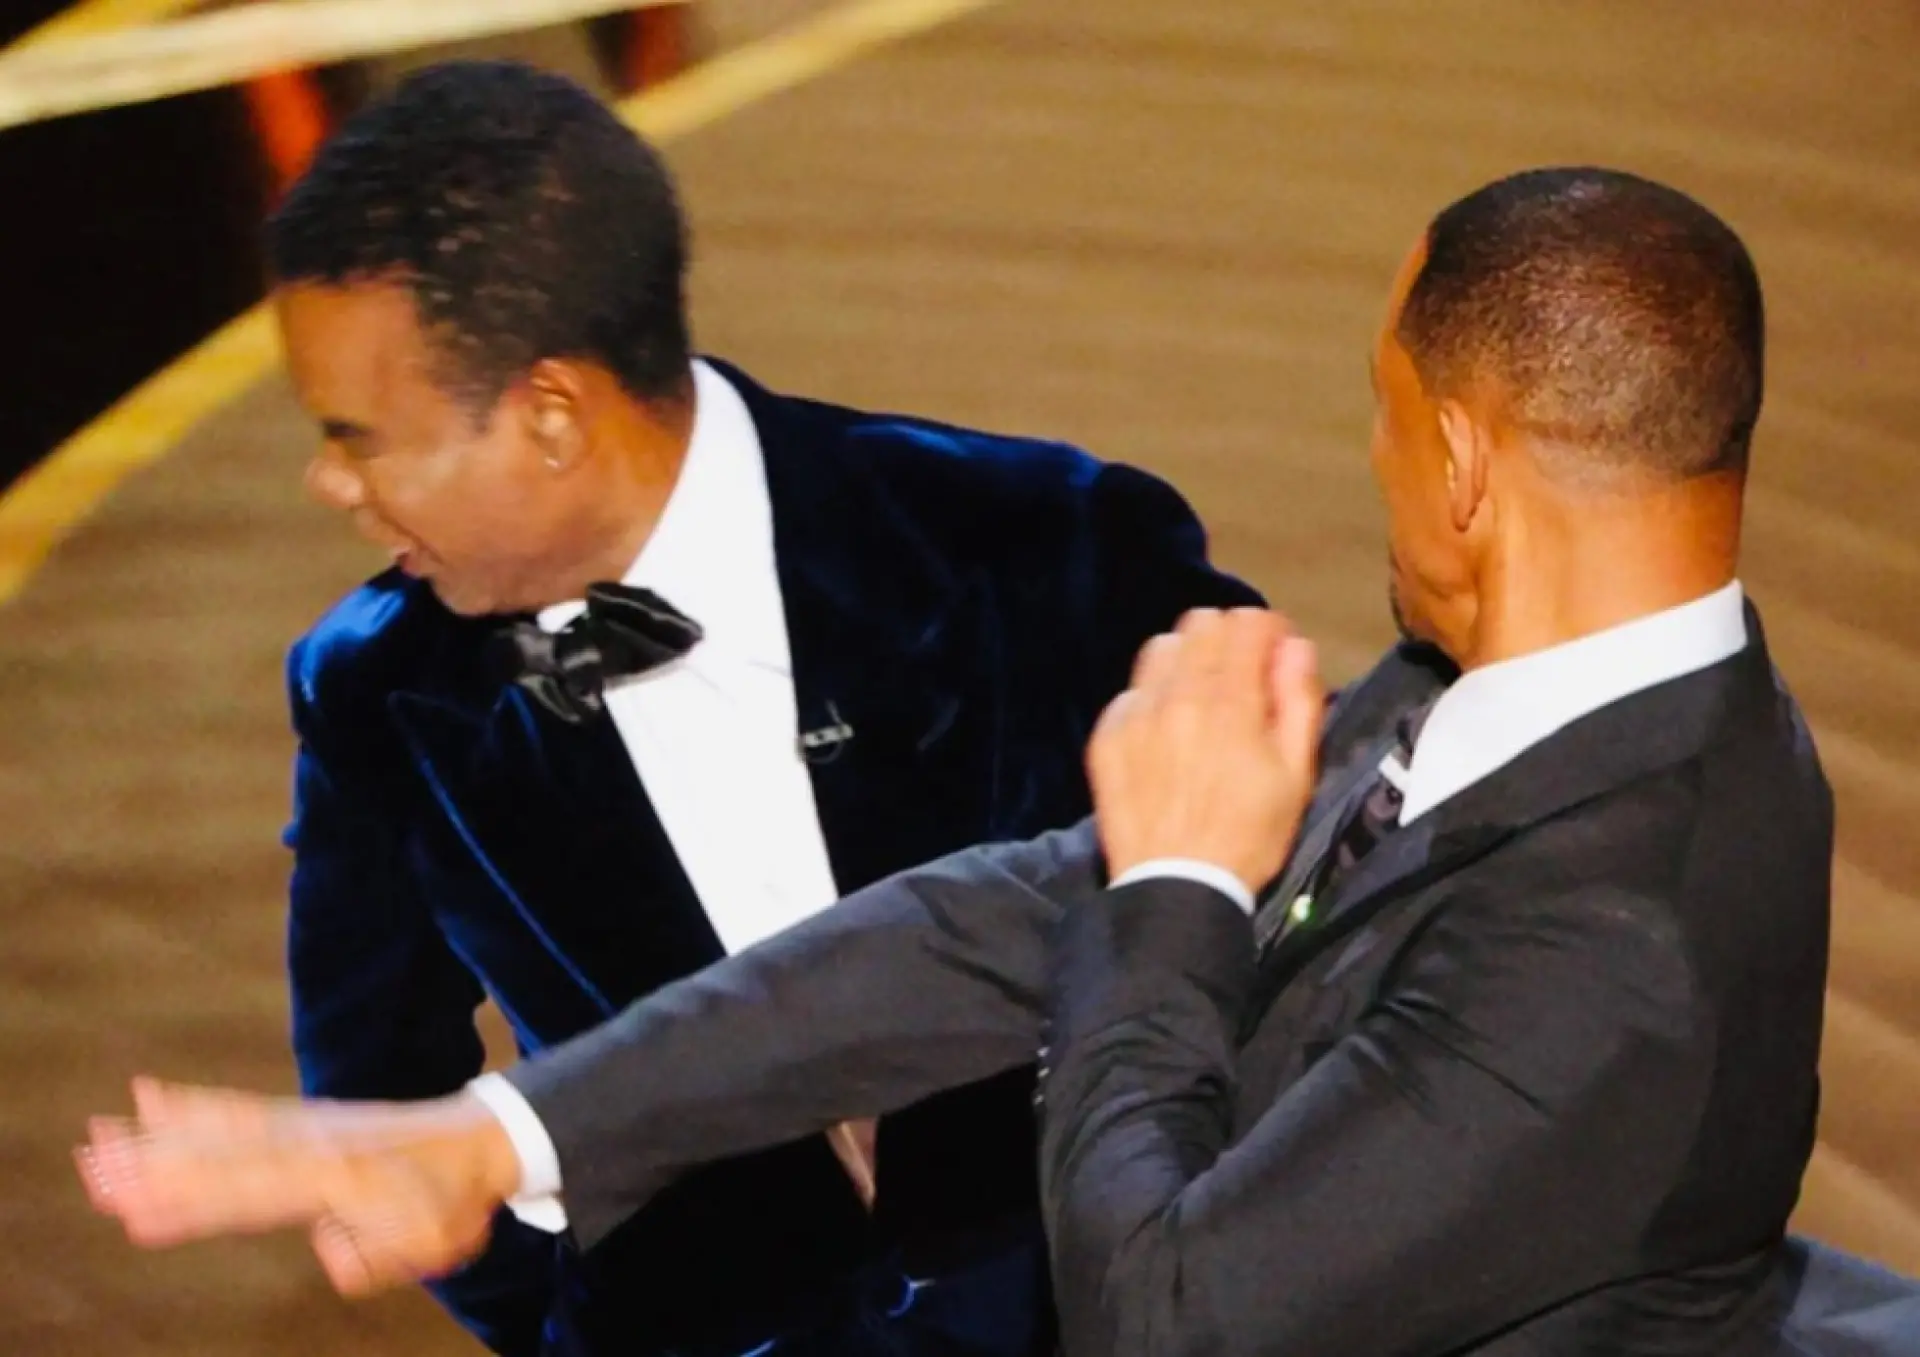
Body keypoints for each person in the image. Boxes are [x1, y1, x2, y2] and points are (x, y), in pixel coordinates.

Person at [80, 167, 1900, 1353]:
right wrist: (499, 1136)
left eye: (1384, 411)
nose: (1372, 460)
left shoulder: (1619, 946)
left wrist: (1176, 886)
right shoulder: (1515, 687)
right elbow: (1010, 918)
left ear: (1467, 465)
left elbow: (1162, 1315)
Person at [223, 56, 1261, 1357]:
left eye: (358, 435)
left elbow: (1304, 915)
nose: (328, 482)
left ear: (551, 414)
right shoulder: (376, 688)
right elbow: (382, 1096)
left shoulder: (1046, 541)